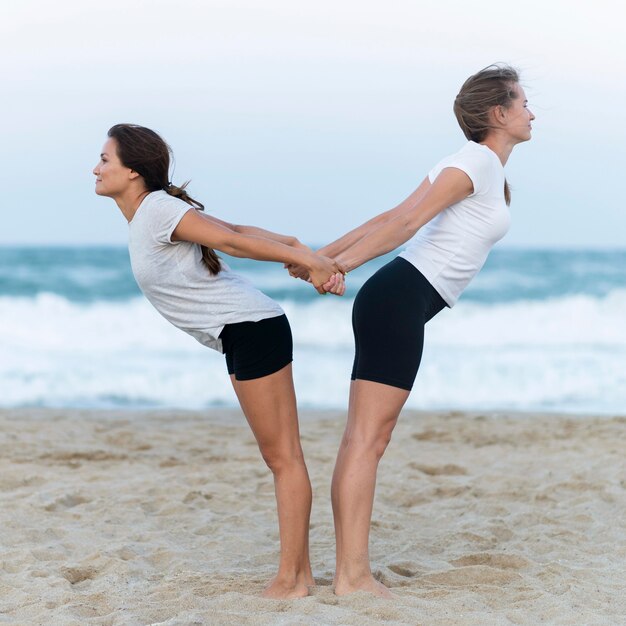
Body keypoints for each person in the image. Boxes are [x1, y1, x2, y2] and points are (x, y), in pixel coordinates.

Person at [287, 63, 535, 597]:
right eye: (523, 103)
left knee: (363, 439)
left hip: (398, 299)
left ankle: (350, 573)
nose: (531, 113)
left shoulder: (471, 162)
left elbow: (393, 214)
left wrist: (323, 254)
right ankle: (353, 577)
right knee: (367, 441)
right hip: (397, 299)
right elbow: (405, 225)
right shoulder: (477, 161)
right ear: (499, 113)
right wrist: (339, 267)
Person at [93, 123, 345, 599]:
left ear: (131, 171)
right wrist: (293, 246)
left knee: (283, 457)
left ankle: (290, 580)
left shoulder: (156, 211)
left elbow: (231, 244)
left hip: (252, 329)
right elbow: (233, 231)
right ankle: (302, 575)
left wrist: (307, 262)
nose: (96, 167)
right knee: (283, 456)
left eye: (105, 159)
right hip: (246, 332)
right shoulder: (158, 212)